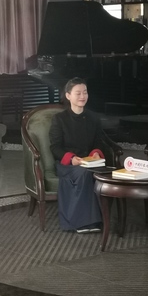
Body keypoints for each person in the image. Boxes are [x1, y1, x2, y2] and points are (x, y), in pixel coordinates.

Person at [49, 77, 108, 233]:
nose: (83, 96)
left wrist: (96, 153)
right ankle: (84, 223)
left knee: (95, 172)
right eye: (78, 93)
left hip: (90, 162)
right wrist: (72, 159)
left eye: (85, 92)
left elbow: (99, 142)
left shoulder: (94, 118)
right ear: (68, 95)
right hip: (68, 164)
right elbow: (55, 147)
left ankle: (101, 218)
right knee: (84, 173)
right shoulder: (59, 119)